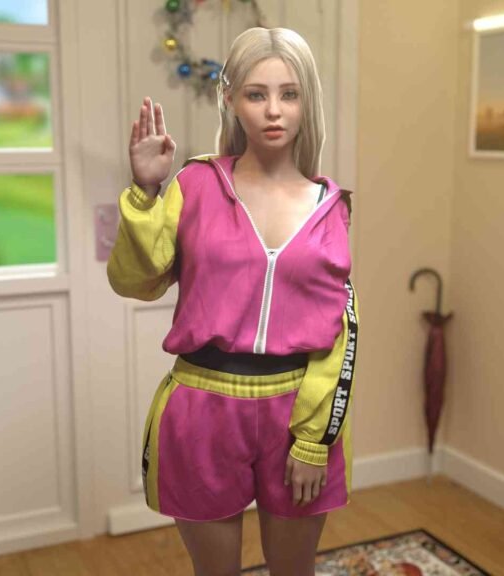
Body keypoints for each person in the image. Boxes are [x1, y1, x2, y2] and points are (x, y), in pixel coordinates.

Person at [107, 27, 359, 576]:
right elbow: (136, 281)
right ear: (231, 99)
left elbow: (340, 334)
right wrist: (145, 192)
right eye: (256, 94)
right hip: (202, 408)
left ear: (307, 101)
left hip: (296, 415)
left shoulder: (330, 206)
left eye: (289, 94)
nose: (274, 111)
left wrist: (314, 440)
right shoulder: (195, 185)